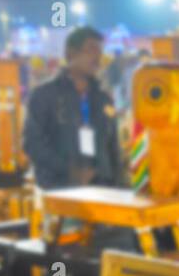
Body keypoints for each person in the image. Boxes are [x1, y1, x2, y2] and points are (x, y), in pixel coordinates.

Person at [22, 26, 123, 190]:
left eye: (100, 50)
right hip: (61, 188)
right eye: (91, 49)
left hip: (102, 188)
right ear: (70, 54)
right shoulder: (45, 96)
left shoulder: (103, 99)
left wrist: (118, 183)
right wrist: (70, 171)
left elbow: (113, 147)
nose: (97, 56)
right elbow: (33, 144)